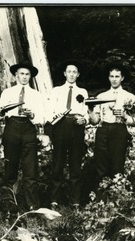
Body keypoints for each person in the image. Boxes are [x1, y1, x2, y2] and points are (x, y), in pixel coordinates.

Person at [0, 61, 45, 212]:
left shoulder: (36, 95)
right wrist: (3, 113)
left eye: (27, 74)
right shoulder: (7, 93)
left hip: (29, 129)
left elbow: (41, 118)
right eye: (21, 74)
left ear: (31, 76)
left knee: (31, 169)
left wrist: (33, 115)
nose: (24, 77)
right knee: (10, 168)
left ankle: (32, 206)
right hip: (12, 128)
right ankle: (9, 204)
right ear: (16, 75)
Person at [44, 59, 89, 209]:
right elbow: (50, 111)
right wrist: (54, 121)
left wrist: (84, 119)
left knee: (75, 164)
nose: (71, 74)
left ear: (78, 75)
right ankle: (54, 200)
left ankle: (75, 201)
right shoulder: (56, 90)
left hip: (76, 127)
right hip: (61, 126)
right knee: (58, 163)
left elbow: (86, 112)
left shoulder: (83, 92)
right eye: (69, 71)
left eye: (74, 72)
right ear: (65, 73)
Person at [89, 62, 135, 186]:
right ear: (108, 77)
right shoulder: (101, 96)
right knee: (101, 163)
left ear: (122, 78)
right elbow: (95, 121)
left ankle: (117, 196)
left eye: (117, 76)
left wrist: (124, 116)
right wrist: (90, 110)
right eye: (112, 76)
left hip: (120, 129)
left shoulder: (130, 97)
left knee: (117, 163)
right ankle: (102, 197)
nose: (114, 79)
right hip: (103, 129)